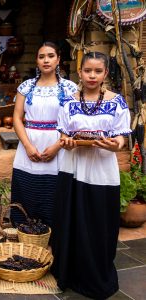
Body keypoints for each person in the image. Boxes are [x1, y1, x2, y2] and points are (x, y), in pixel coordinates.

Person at [51, 51, 131, 299]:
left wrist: (115, 145)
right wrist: (65, 141)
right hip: (72, 168)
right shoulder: (68, 101)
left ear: (105, 73)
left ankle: (97, 276)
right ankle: (70, 274)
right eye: (88, 71)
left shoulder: (117, 102)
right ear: (80, 72)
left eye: (98, 71)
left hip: (102, 172)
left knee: (99, 223)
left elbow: (121, 138)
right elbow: (63, 135)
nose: (92, 76)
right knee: (71, 221)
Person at [10, 42, 78, 227]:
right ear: (37, 61)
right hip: (29, 143)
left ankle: (53, 236)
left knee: (53, 190)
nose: (46, 60)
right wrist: (28, 146)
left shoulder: (71, 88)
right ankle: (24, 233)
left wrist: (57, 146)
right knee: (27, 188)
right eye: (41, 57)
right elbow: (17, 118)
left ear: (58, 60)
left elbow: (74, 121)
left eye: (50, 56)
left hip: (59, 144)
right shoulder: (26, 87)